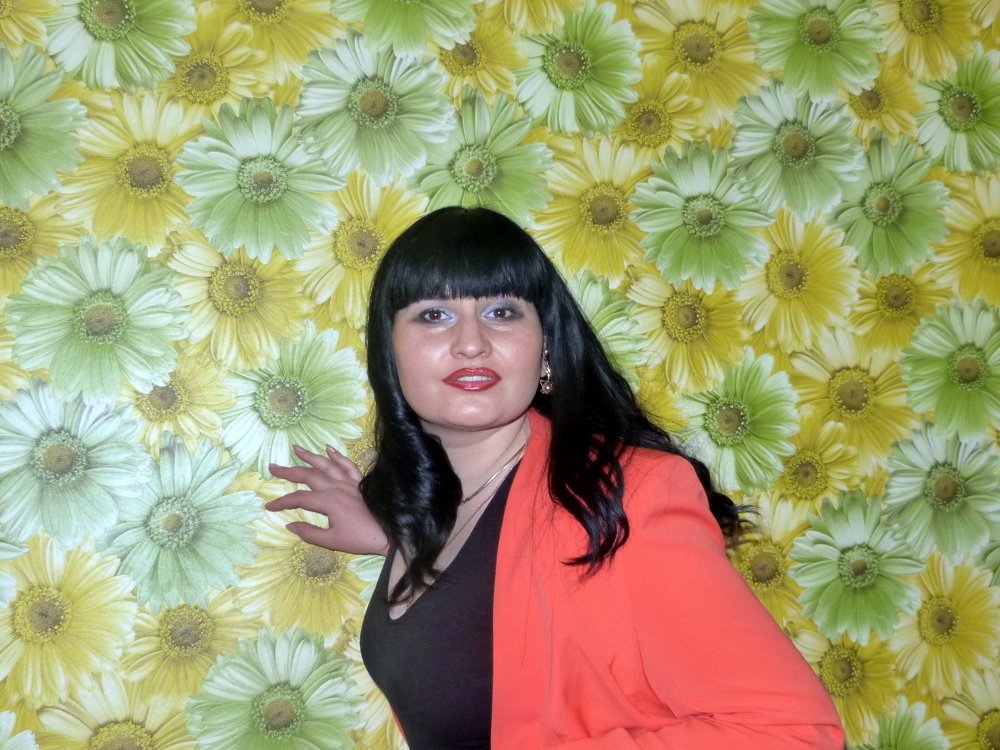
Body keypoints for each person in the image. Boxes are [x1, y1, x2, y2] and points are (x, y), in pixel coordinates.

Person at [267, 206, 846, 749]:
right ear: (389, 355)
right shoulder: (434, 520)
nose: (471, 342)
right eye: (433, 315)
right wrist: (398, 536)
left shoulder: (628, 495)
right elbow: (510, 601)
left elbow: (791, 733)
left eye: (502, 312)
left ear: (544, 346)